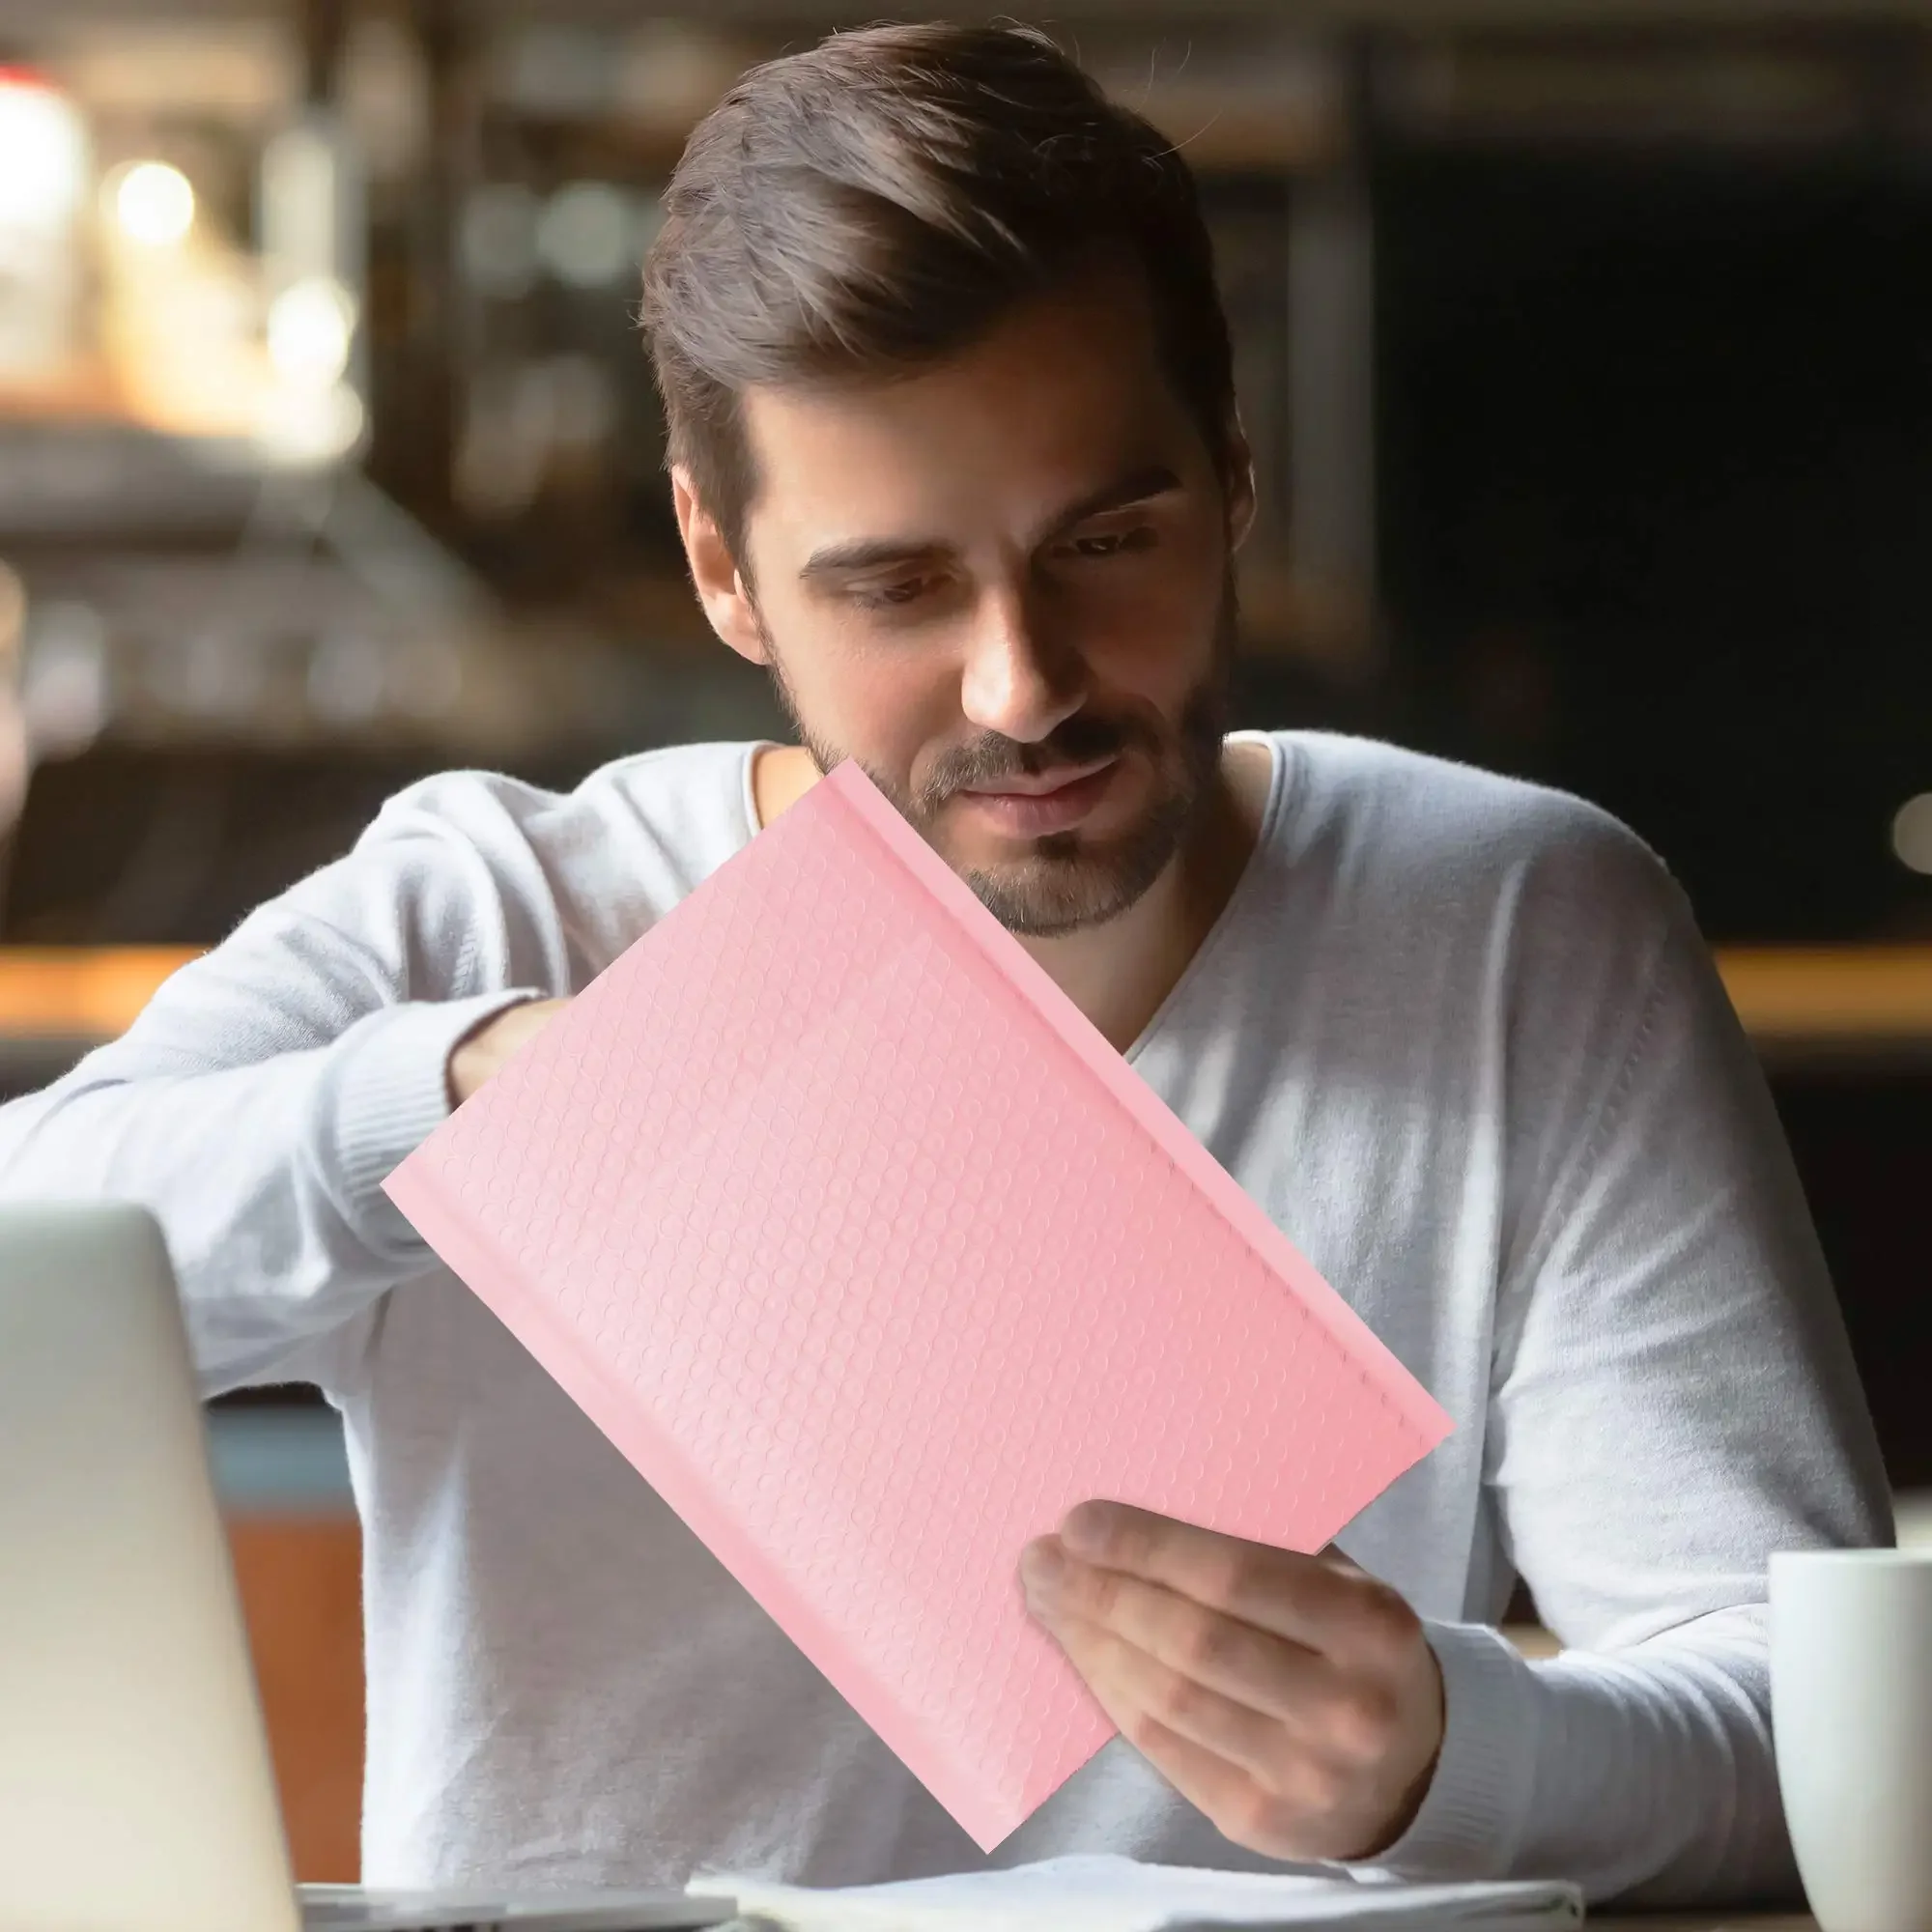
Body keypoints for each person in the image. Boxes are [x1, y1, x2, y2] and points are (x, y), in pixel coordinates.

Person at [0, 19, 1888, 1908]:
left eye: (1105, 539)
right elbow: (31, 1271)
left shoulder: (1510, 931)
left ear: (1233, 479)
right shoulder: (494, 912)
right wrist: (456, 1091)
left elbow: (1811, 1749)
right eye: (896, 585)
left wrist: (1450, 1755)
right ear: (721, 567)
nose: (1025, 684)